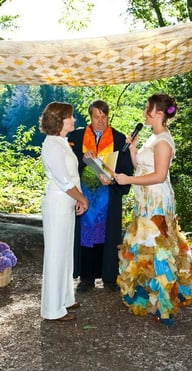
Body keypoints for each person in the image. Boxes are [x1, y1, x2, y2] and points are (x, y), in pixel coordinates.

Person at [113, 94, 192, 324]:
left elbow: (159, 176)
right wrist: (133, 150)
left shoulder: (163, 141)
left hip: (157, 203)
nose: (144, 112)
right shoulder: (153, 137)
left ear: (159, 113)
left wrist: (127, 180)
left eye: (147, 108)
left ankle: (163, 304)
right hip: (145, 201)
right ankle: (148, 297)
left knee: (158, 252)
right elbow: (141, 168)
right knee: (144, 249)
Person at [68, 100, 134, 292]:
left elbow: (125, 168)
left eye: (104, 116)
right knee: (85, 236)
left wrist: (113, 180)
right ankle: (87, 277)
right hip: (85, 195)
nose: (100, 121)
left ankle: (110, 277)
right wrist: (83, 160)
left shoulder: (119, 138)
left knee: (109, 235)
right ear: (90, 117)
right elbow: (69, 166)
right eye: (96, 117)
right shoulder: (78, 137)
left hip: (108, 196)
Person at [39, 102, 89, 322]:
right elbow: (63, 180)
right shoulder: (51, 145)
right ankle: (52, 309)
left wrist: (77, 200)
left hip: (67, 202)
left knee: (66, 253)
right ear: (59, 120)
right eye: (71, 117)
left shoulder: (61, 142)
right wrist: (82, 198)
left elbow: (71, 177)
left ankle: (65, 298)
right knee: (56, 254)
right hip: (58, 203)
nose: (74, 120)